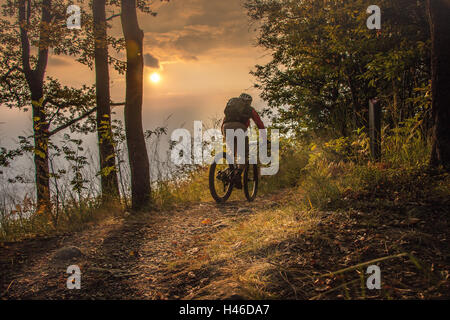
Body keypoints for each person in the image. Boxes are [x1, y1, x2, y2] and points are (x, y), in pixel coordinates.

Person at [221, 93, 265, 189]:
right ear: (248, 102)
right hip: (239, 129)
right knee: (243, 154)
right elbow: (259, 123)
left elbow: (224, 121)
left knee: (233, 153)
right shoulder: (249, 109)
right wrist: (264, 138)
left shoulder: (232, 108)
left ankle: (230, 172)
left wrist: (224, 135)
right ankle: (237, 176)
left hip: (226, 127)